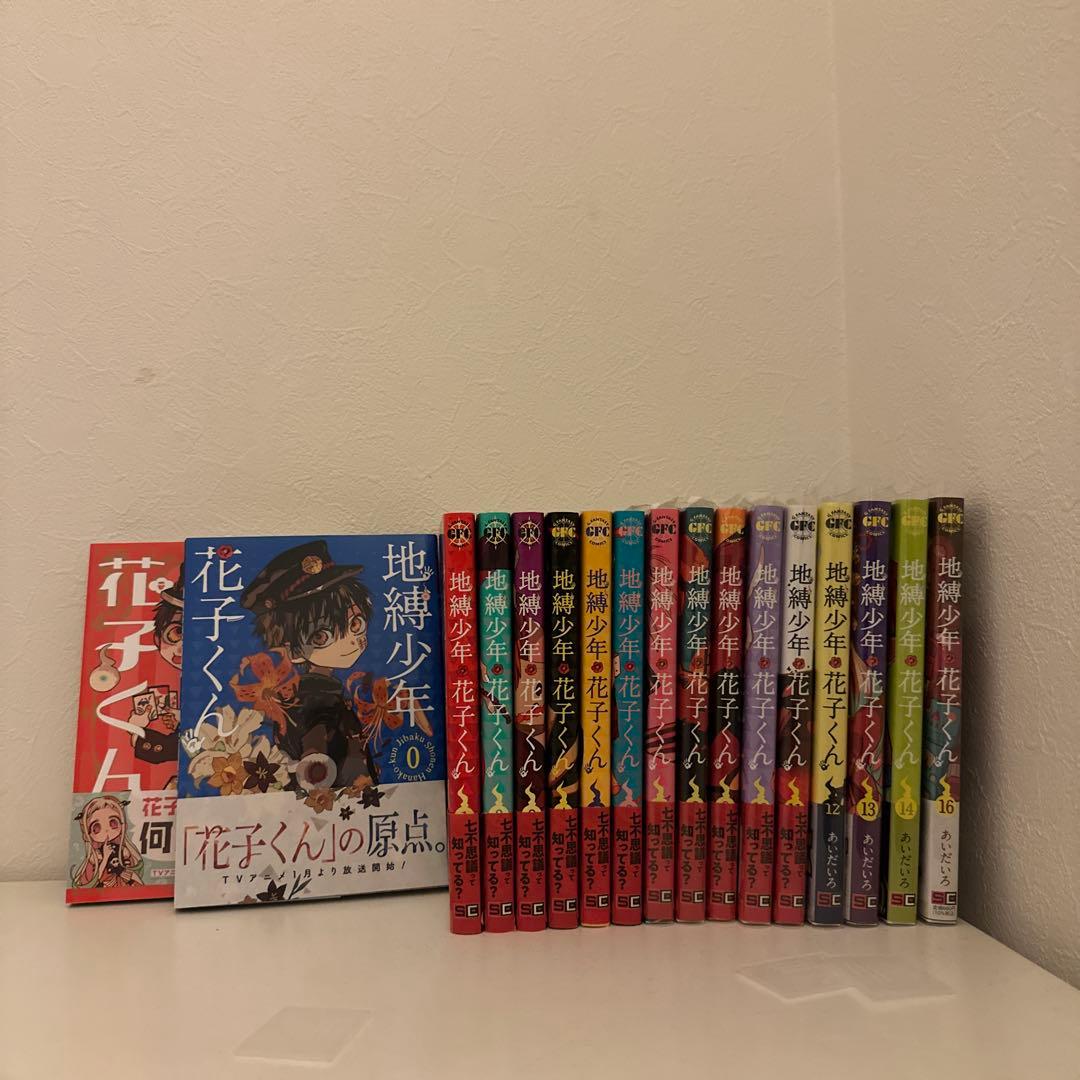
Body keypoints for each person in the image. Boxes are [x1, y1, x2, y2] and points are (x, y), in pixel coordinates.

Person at [71, 794, 143, 889]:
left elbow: (132, 873)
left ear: (123, 825)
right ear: (87, 835)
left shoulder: (123, 850)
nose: (106, 830)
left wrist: (125, 873)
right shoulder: (96, 856)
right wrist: (105, 857)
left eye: (113, 823)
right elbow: (94, 879)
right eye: (96, 828)